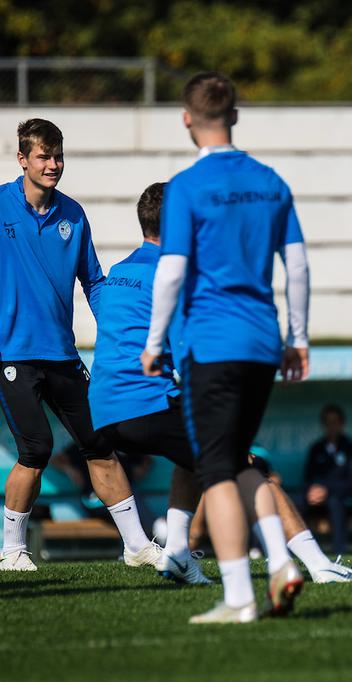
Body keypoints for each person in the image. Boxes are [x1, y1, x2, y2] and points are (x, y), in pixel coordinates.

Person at [141, 72, 311, 623]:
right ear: (234, 115)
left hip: (211, 345)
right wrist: (298, 338)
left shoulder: (187, 187)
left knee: (213, 469)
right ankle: (282, 565)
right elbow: (299, 265)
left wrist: (154, 341)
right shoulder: (271, 181)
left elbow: (170, 272)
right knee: (239, 461)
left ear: (187, 120)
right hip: (263, 341)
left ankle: (239, 596)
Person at [0, 119, 159, 572]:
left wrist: (119, 325)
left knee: (100, 443)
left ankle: (137, 546)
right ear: (22, 160)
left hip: (63, 354)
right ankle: (12, 550)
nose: (53, 165)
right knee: (35, 449)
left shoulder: (73, 214)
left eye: (58, 156)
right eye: (44, 157)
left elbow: (93, 282)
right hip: (11, 354)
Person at [87, 182, 209, 584]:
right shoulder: (170, 275)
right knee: (229, 461)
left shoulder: (119, 272)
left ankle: (175, 553)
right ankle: (296, 556)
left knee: (191, 458)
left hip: (102, 411)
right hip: (143, 404)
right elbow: (186, 355)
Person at [190, 445, 352, 583]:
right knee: (230, 470)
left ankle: (181, 550)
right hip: (170, 405)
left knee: (239, 471)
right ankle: (283, 562)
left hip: (339, 499)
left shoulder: (351, 448)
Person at [300, 404, 352, 555]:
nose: (332, 426)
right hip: (319, 502)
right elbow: (307, 479)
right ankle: (294, 555)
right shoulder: (316, 449)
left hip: (348, 502)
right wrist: (311, 492)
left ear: (342, 423)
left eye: (335, 422)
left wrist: (327, 490)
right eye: (328, 422)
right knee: (297, 504)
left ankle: (339, 554)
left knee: (335, 502)